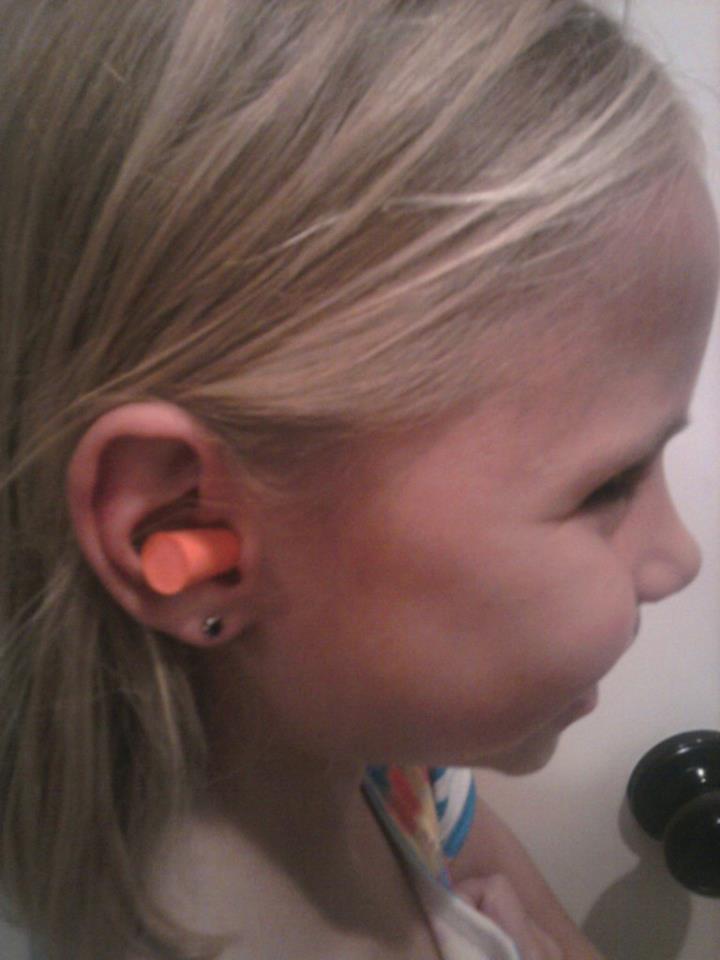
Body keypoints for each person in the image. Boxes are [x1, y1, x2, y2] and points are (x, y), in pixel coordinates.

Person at [0, 1, 717, 958]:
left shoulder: (389, 767)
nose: (679, 557)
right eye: (608, 486)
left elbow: (472, 847)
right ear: (184, 531)